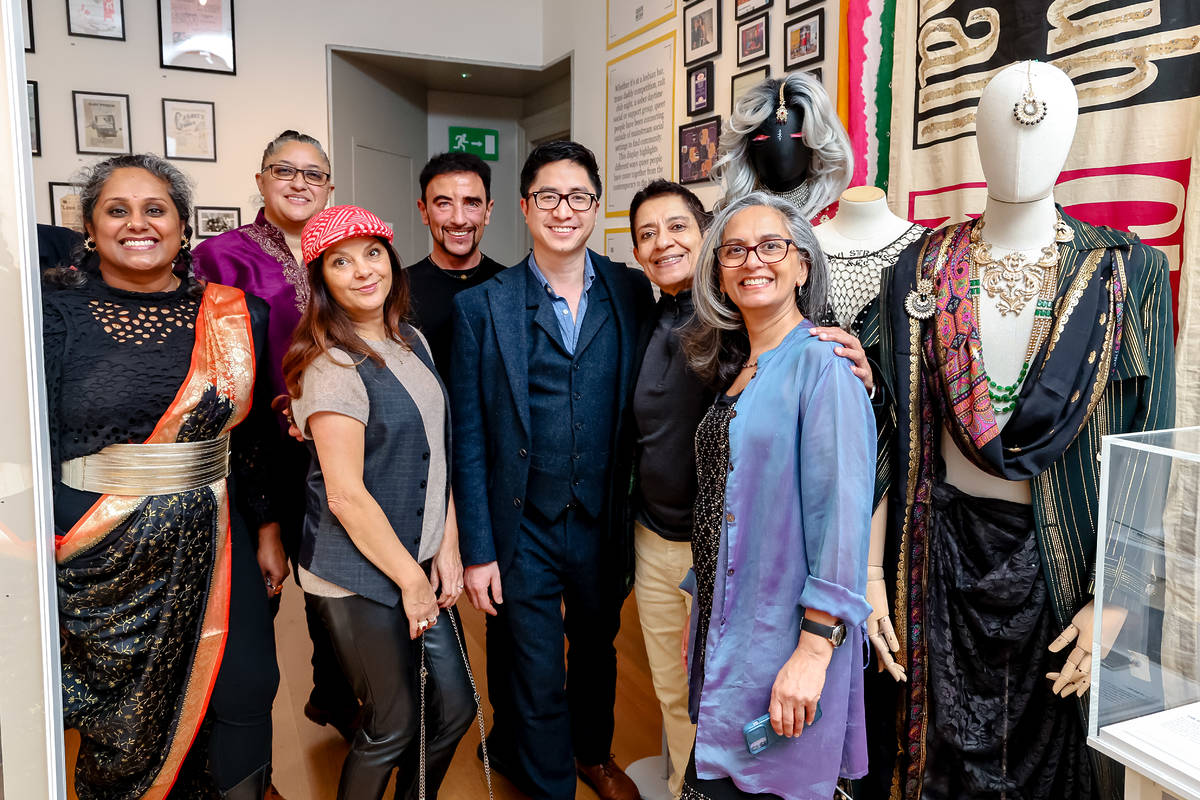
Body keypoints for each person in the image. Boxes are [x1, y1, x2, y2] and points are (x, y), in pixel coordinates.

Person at [43, 154, 280, 799]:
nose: (137, 224)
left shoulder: (236, 313)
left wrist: (268, 530)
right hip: (95, 549)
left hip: (218, 536)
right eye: (117, 210)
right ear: (90, 226)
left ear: (183, 224)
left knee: (246, 688)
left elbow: (252, 440)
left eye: (156, 209)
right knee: (124, 723)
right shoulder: (50, 316)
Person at [450, 140, 655, 800]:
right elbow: (471, 439)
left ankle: (592, 752)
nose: (563, 210)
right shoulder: (481, 308)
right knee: (534, 670)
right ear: (524, 205)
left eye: (578, 197)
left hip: (601, 517)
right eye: (548, 196)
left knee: (597, 650)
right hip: (523, 525)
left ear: (596, 207)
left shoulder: (629, 290)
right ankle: (547, 786)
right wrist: (478, 552)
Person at [680, 192, 875, 799]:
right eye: (734, 250)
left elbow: (842, 521)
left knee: (760, 782)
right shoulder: (743, 363)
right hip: (725, 620)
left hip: (784, 636)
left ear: (802, 265)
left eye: (771, 246)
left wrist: (815, 651)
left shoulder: (824, 364)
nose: (752, 261)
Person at [283, 205, 474, 800]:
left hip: (413, 557)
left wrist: (446, 547)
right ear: (322, 281)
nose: (363, 271)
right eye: (341, 262)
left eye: (373, 253)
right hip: (355, 572)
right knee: (390, 726)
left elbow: (433, 453)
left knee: (455, 709)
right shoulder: (332, 363)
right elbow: (344, 495)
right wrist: (411, 582)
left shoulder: (409, 338)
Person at [192, 130, 360, 740]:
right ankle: (240, 748)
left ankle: (336, 699)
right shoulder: (221, 256)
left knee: (335, 586)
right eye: (283, 170)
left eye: (313, 173)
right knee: (252, 596)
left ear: (331, 187)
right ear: (259, 180)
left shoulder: (345, 251)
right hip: (250, 452)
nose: (299, 182)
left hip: (330, 447)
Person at [626, 179, 713, 798]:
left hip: (717, 547)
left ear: (705, 231)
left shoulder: (735, 316)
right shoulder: (648, 316)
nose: (663, 243)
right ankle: (686, 787)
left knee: (716, 691)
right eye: (647, 234)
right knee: (669, 688)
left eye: (677, 226)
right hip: (651, 539)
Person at [408, 151, 506, 379]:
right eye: (444, 204)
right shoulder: (397, 289)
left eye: (471, 203)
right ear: (424, 211)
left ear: (488, 211)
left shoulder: (513, 286)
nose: (459, 219)